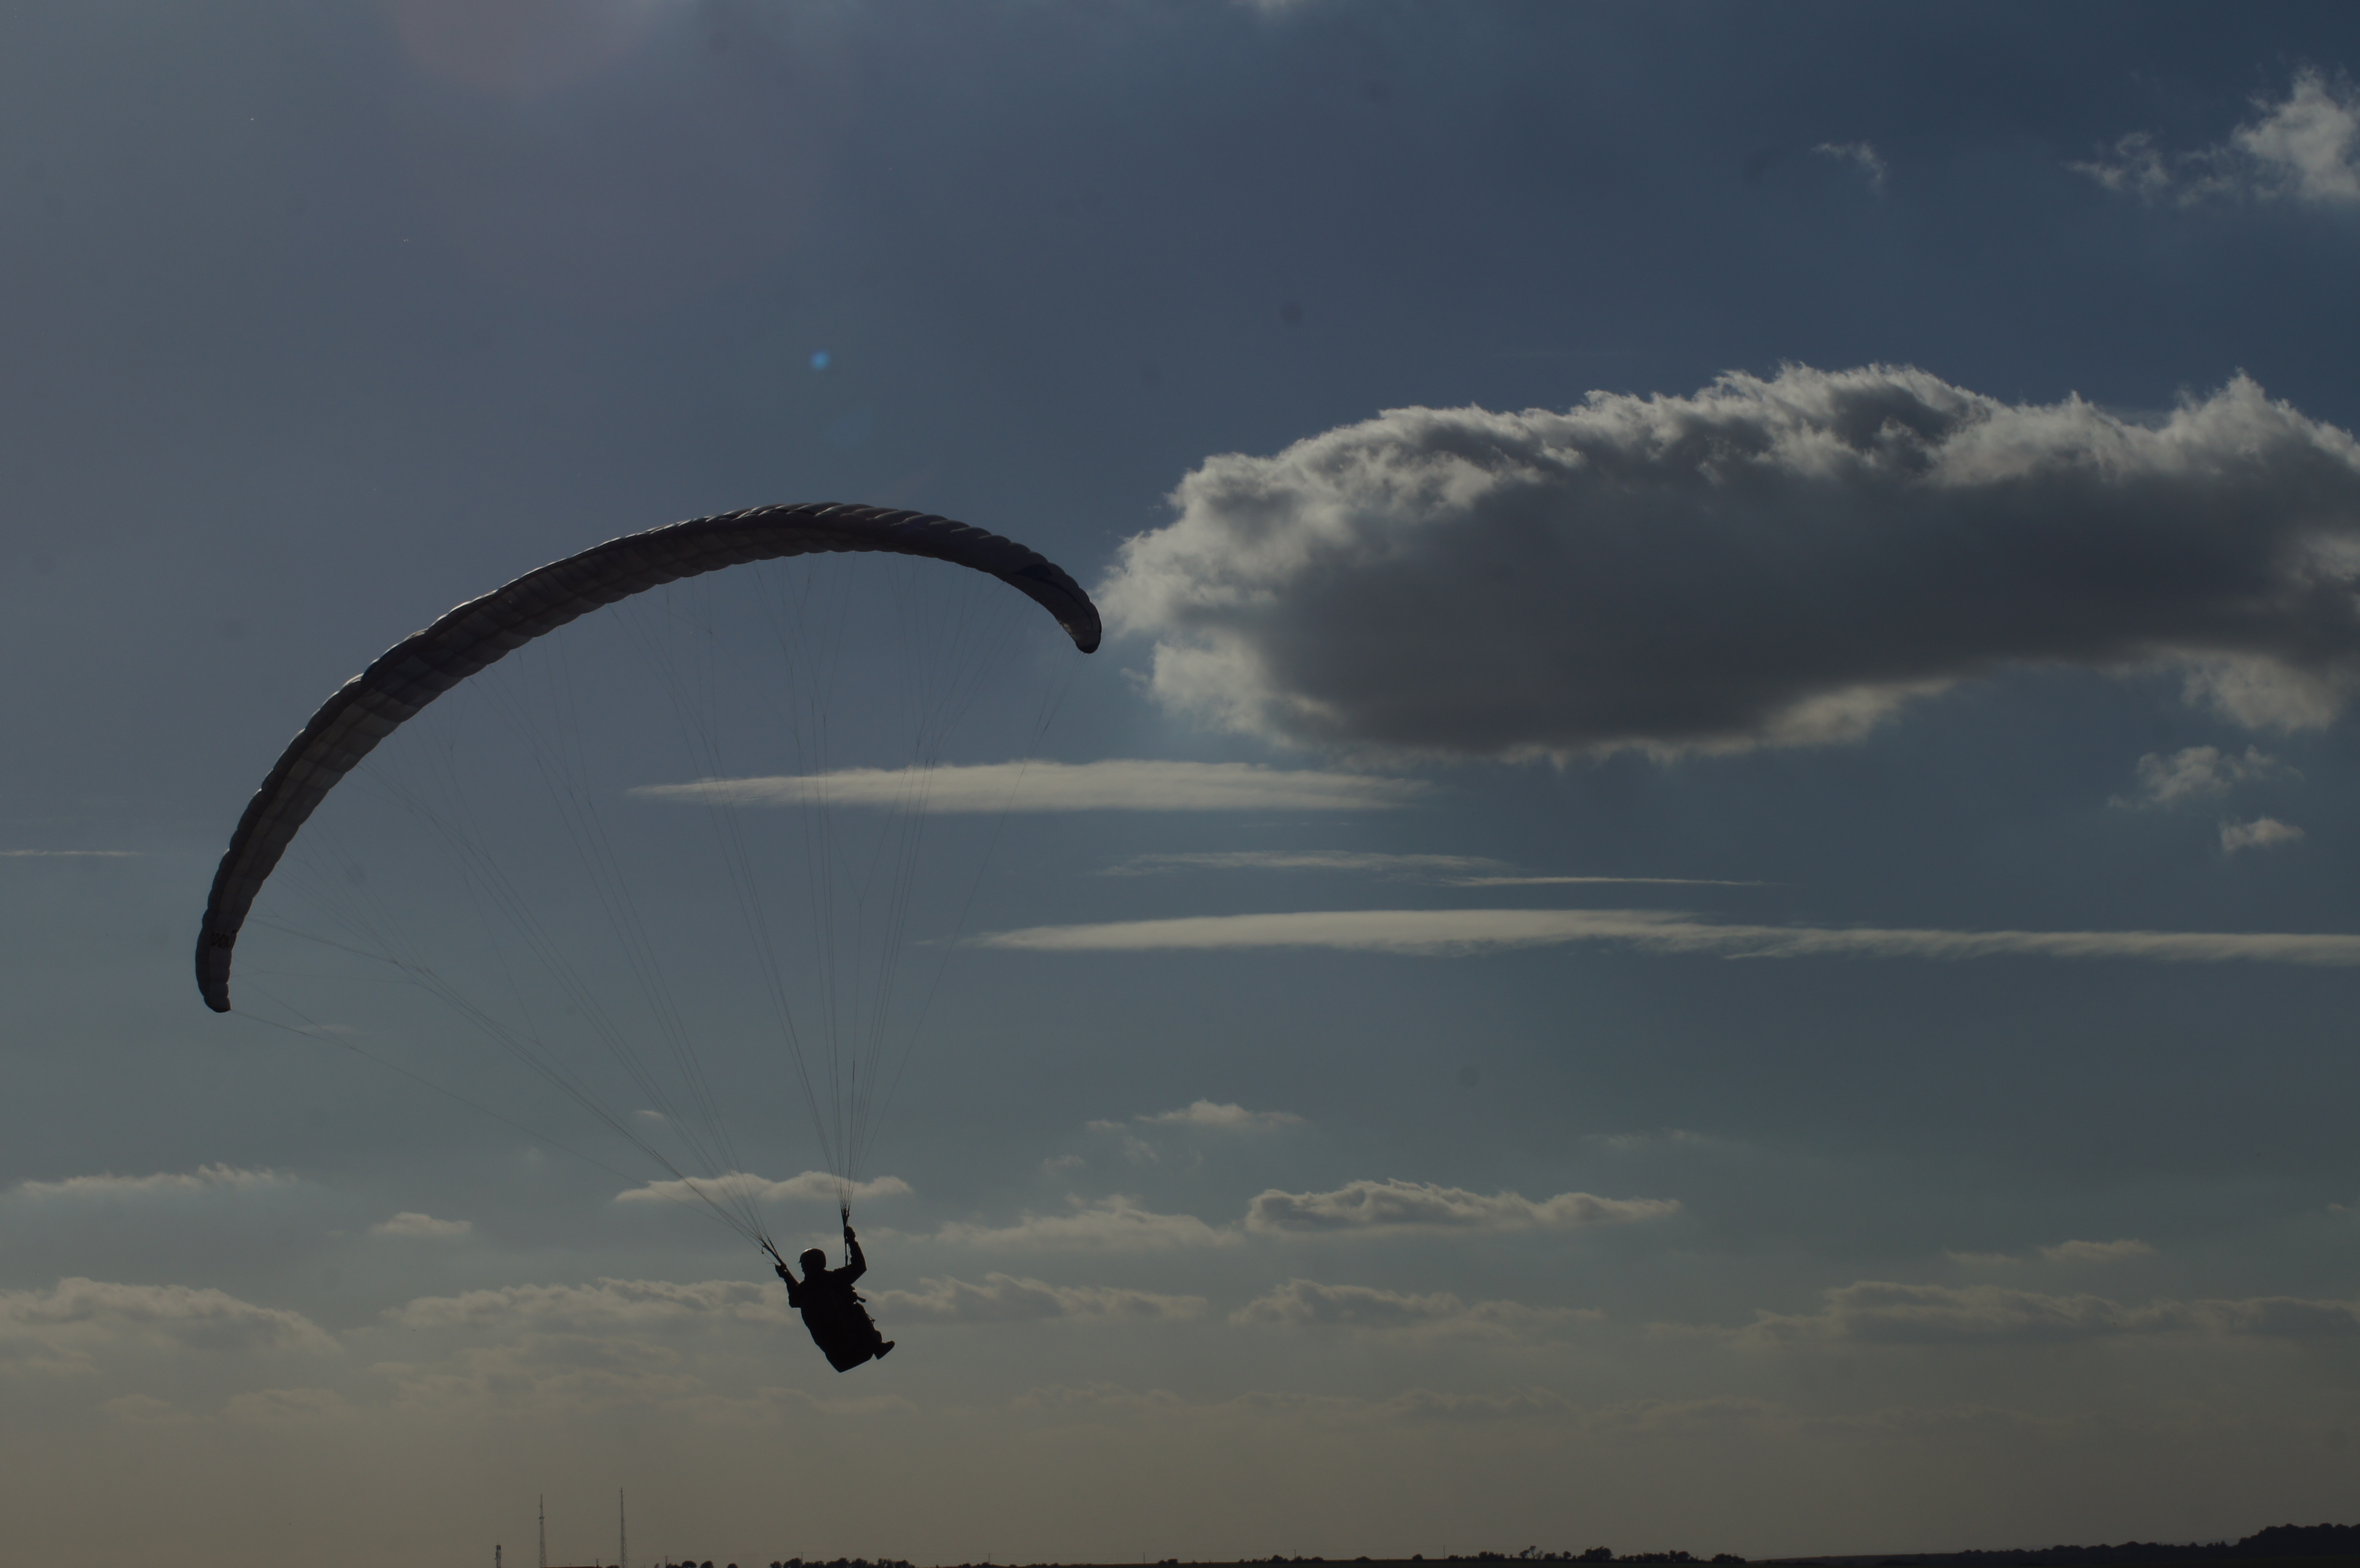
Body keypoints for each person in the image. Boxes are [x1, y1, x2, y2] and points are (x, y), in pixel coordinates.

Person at [774, 1224, 894, 1372]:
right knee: (857, 1309)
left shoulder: (804, 1290)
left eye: (804, 1265)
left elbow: (794, 1300)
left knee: (854, 1310)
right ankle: (877, 1347)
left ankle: (876, 1346)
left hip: (838, 1357)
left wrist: (786, 1277)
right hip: (854, 1347)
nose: (803, 1269)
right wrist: (852, 1241)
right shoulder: (835, 1279)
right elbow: (859, 1267)